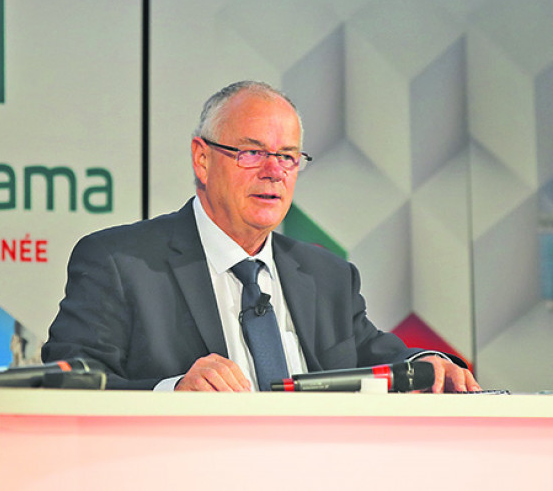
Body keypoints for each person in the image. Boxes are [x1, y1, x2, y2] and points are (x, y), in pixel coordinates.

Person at [42, 80, 480, 393]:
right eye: (252, 152)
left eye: (288, 156)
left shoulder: (326, 276)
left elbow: (376, 353)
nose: (274, 171)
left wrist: (428, 363)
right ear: (202, 159)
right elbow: (70, 380)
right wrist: (170, 392)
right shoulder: (120, 262)